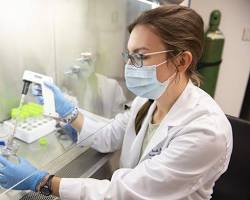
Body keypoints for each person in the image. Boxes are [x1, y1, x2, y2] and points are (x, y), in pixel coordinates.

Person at [0, 5, 232, 200]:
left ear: (181, 60)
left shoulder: (206, 131)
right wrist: (68, 111)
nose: (130, 65)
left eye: (140, 56)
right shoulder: (148, 101)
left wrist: (42, 181)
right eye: (129, 55)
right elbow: (110, 135)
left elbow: (127, 192)